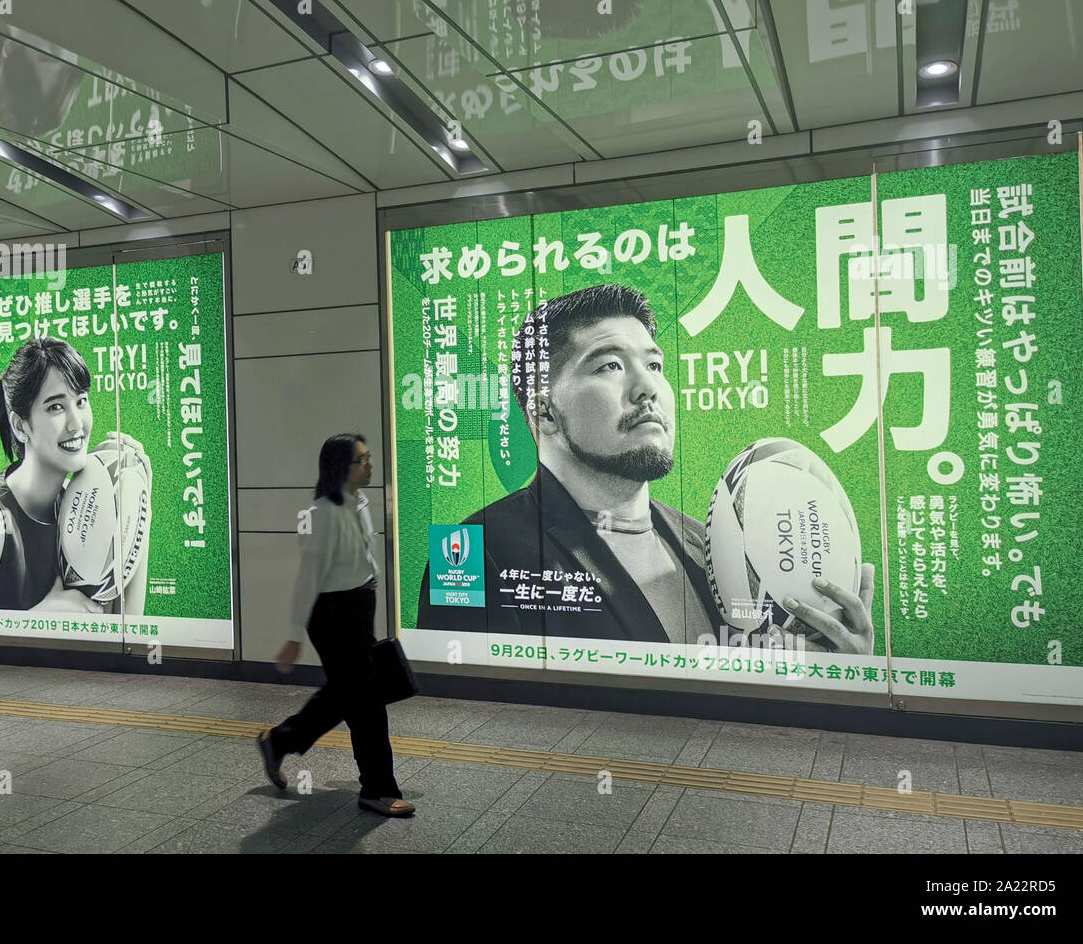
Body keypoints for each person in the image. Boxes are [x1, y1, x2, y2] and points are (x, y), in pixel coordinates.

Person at [417, 283, 875, 653]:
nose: (647, 387)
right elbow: (463, 720)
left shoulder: (707, 542)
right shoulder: (471, 552)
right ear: (546, 413)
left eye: (654, 364)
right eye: (611, 365)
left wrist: (837, 674)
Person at [0, 336, 152, 614]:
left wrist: (140, 496)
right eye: (55, 407)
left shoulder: (77, 503)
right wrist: (45, 615)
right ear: (20, 426)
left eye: (81, 401)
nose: (76, 423)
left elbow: (126, 628)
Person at [259, 434, 415, 818]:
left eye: (368, 457)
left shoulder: (360, 502)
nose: (370, 465)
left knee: (344, 695)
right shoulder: (323, 515)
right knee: (367, 705)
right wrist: (294, 636)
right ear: (339, 468)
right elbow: (308, 579)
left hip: (359, 606)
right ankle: (377, 790)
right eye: (362, 460)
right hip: (333, 616)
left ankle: (278, 741)